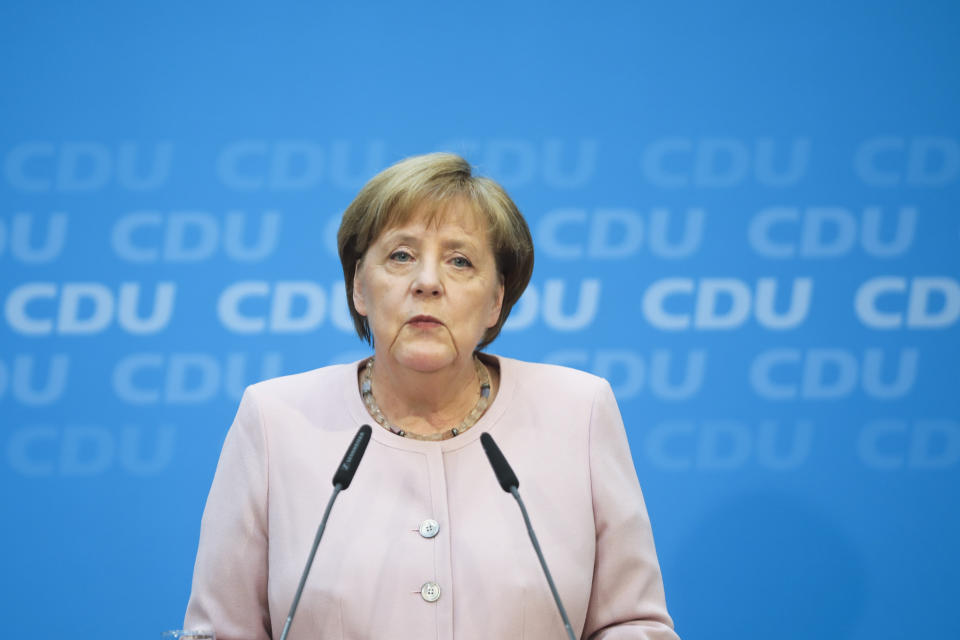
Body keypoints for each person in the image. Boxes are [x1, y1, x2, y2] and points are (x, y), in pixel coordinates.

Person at [184, 152, 680, 639]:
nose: (427, 283)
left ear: (495, 299)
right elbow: (220, 632)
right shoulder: (275, 420)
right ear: (359, 286)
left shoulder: (579, 411)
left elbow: (633, 625)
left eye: (460, 261)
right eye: (401, 255)